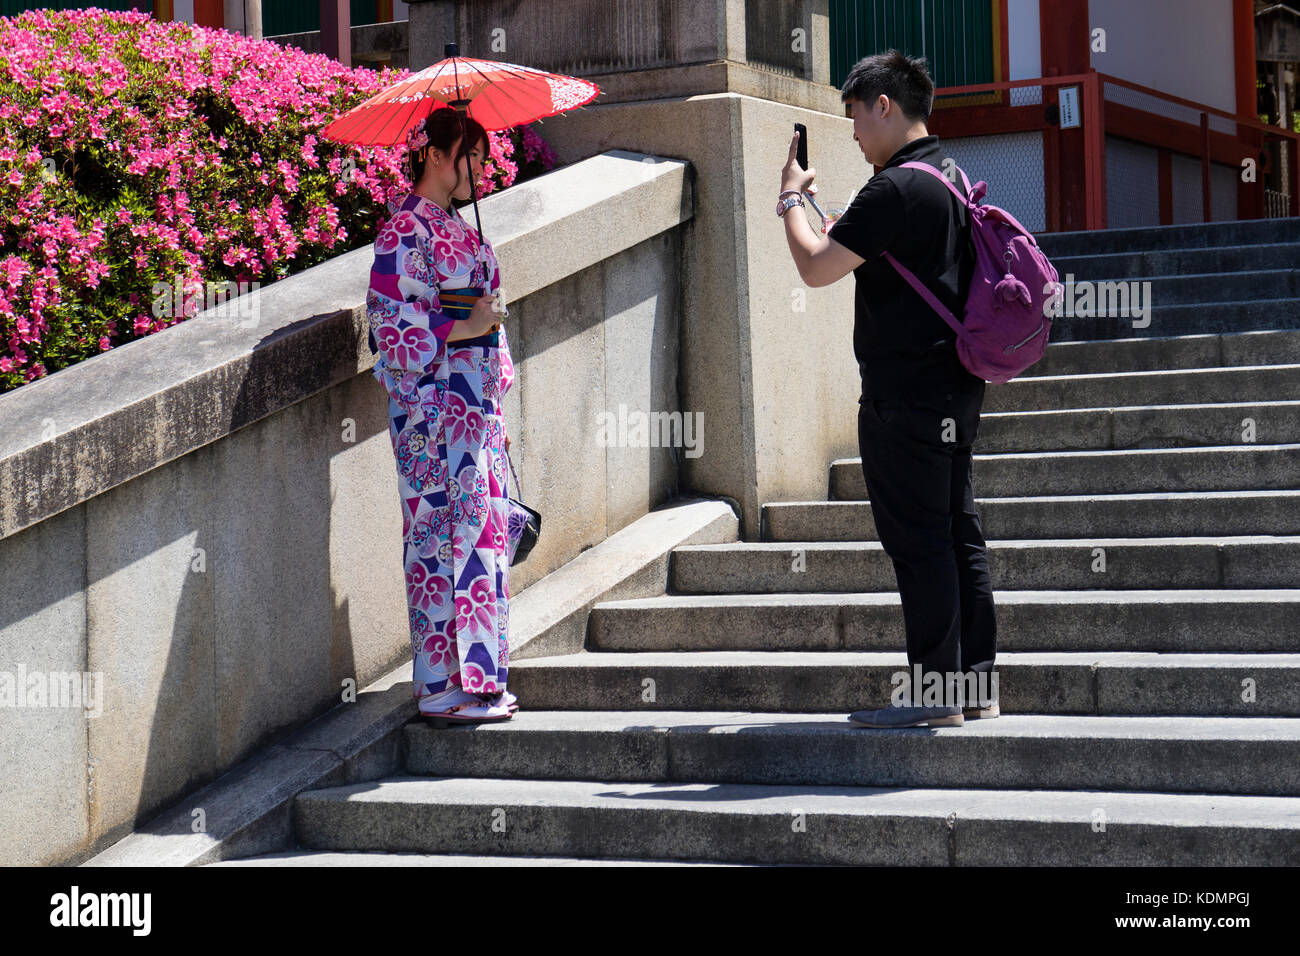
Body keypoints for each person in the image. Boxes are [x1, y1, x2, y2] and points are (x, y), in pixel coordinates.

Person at [779, 49, 998, 729]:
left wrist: (790, 199)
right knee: (959, 531)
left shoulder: (895, 188)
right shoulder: (950, 176)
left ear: (884, 105)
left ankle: (932, 698)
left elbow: (815, 267)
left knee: (919, 540)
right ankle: (975, 687)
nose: (849, 132)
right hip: (957, 385)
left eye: (853, 114)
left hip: (905, 393)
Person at [365, 107, 519, 724]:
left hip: (472, 410)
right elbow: (389, 330)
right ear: (435, 155)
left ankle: (481, 680)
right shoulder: (402, 234)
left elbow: (490, 328)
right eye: (471, 156)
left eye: (481, 157)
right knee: (432, 542)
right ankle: (436, 685)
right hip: (429, 414)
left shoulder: (466, 234)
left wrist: (487, 335)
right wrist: (464, 325)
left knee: (480, 539)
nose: (480, 168)